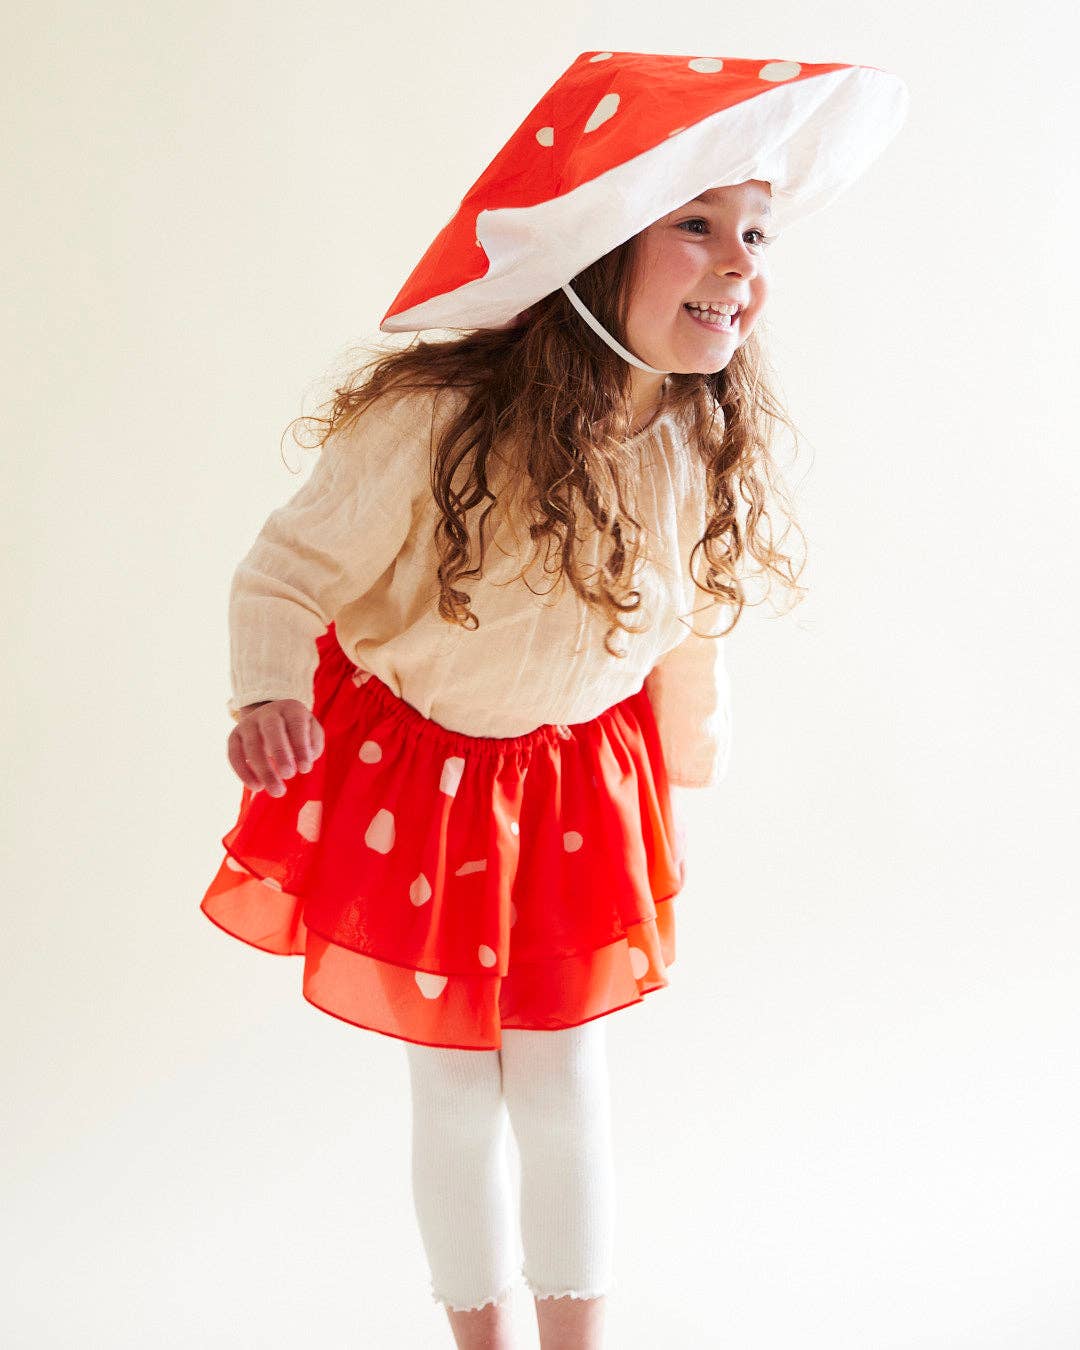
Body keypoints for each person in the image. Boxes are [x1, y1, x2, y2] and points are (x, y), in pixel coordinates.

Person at [199, 49, 908, 1350]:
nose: (741, 259)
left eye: (754, 229)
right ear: (591, 247)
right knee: (460, 1090)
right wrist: (262, 692)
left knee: (567, 1076)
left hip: (581, 785)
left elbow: (686, 617)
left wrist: (693, 747)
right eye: (694, 225)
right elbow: (284, 570)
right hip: (428, 788)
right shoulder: (430, 420)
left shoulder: (697, 437)